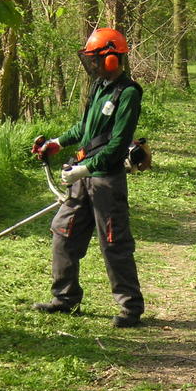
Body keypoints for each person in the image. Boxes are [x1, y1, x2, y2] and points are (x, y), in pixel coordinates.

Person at [31, 28, 145, 328]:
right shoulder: (98, 87)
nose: (91, 65)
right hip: (83, 176)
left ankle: (130, 308)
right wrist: (57, 142)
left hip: (106, 180)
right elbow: (85, 129)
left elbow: (118, 144)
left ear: (111, 58)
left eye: (95, 59)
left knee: (113, 242)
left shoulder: (129, 93)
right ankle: (65, 298)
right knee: (63, 231)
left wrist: (83, 169)